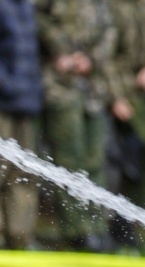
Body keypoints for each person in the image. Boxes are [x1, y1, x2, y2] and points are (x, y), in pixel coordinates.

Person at [35, 0, 120, 252]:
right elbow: (37, 17)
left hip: (93, 87)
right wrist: (61, 50)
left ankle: (96, 227)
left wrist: (92, 59)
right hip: (60, 85)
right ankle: (76, 230)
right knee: (69, 159)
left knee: (94, 159)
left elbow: (110, 29)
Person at [107, 0, 145, 247]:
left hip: (142, 95)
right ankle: (96, 230)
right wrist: (115, 97)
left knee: (139, 164)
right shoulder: (108, 6)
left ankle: (126, 225)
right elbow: (103, 54)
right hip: (112, 94)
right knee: (106, 164)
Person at [0, 0, 43, 250]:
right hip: (4, 100)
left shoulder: (26, 6)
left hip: (27, 102)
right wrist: (7, 85)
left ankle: (20, 237)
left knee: (24, 172)